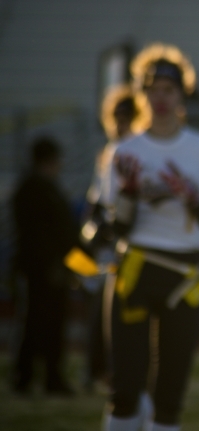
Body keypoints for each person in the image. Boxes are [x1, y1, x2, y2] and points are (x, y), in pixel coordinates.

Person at [103, 43, 199, 431]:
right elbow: (117, 228)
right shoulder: (124, 149)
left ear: (182, 94)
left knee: (171, 392)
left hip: (186, 274)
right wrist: (128, 194)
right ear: (140, 93)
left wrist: (186, 195)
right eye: (152, 89)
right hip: (136, 267)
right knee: (124, 387)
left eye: (168, 89)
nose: (160, 98)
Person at [81, 84, 150, 391]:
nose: (120, 125)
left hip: (134, 246)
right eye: (116, 118)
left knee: (126, 316)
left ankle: (120, 374)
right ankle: (98, 371)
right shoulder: (109, 153)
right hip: (108, 247)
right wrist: (93, 236)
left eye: (127, 117)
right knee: (99, 311)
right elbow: (96, 203)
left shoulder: (141, 151)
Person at [11, 136, 79, 396]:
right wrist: (62, 264)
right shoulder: (37, 190)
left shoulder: (35, 187)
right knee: (39, 325)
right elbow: (51, 235)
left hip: (44, 269)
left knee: (41, 325)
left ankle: (38, 376)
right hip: (43, 271)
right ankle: (34, 376)